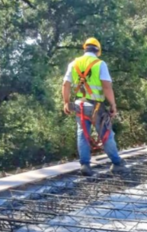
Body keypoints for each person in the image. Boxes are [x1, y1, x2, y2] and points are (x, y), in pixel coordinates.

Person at [62, 37, 127, 176]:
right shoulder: (100, 64)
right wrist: (113, 105)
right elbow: (107, 87)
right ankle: (117, 163)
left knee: (82, 134)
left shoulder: (74, 64)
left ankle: (85, 165)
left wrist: (66, 102)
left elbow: (65, 85)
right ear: (98, 51)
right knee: (106, 134)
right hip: (96, 106)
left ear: (85, 49)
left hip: (80, 104)